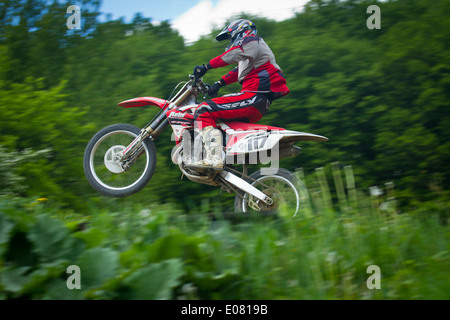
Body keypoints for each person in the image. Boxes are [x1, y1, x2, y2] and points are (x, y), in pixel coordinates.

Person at [189, 19, 290, 170]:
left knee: (204, 110)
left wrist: (206, 67)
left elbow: (231, 54)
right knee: (219, 122)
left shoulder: (253, 41)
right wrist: (218, 84)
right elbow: (237, 72)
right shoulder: (251, 53)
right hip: (257, 101)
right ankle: (226, 164)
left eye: (230, 37)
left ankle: (215, 157)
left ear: (240, 31)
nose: (229, 42)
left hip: (254, 96)